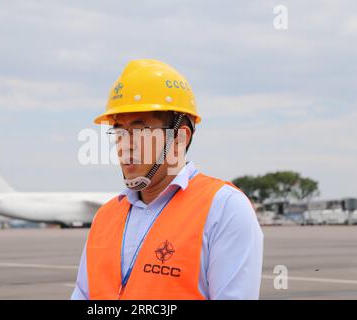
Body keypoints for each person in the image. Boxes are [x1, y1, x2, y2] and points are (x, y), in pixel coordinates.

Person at [71, 59, 263, 300]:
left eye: (138, 131)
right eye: (119, 131)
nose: (124, 145)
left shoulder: (223, 208)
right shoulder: (105, 217)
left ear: (180, 138)